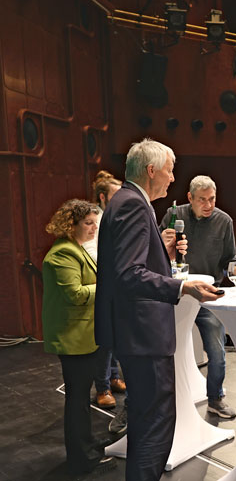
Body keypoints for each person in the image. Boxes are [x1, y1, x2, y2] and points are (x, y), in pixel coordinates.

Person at [95, 138, 222, 481]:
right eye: (169, 170)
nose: (172, 177)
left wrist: (162, 253)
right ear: (151, 170)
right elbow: (129, 275)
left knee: (144, 423)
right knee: (154, 428)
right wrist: (183, 285)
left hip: (133, 334)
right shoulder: (135, 205)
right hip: (144, 337)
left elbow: (129, 266)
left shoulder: (123, 201)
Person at [158, 174, 236, 420]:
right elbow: (155, 250)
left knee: (217, 351)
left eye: (212, 199)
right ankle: (157, 403)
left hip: (208, 294)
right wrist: (161, 242)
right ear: (190, 198)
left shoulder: (224, 221)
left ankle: (216, 399)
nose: (208, 205)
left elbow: (232, 259)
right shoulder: (174, 215)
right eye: (202, 200)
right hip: (177, 290)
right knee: (159, 349)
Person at [42, 199, 116, 475]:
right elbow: (75, 294)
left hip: (85, 335)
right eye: (88, 223)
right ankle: (81, 458)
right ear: (70, 225)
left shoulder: (77, 249)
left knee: (82, 399)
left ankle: (87, 445)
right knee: (77, 400)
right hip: (73, 338)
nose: (94, 228)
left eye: (96, 223)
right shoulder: (62, 254)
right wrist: (108, 286)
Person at [84, 171, 126, 410]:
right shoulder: (94, 219)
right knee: (105, 341)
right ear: (102, 197)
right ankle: (102, 387)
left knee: (117, 337)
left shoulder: (117, 215)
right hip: (103, 284)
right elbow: (92, 250)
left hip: (118, 283)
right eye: (115, 195)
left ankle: (113, 377)